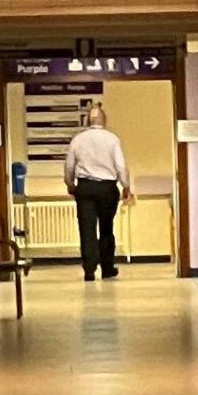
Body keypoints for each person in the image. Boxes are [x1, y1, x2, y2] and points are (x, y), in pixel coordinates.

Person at [63, 104, 130, 280]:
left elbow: (69, 165)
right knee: (106, 228)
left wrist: (70, 184)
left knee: (87, 229)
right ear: (104, 120)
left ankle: (89, 270)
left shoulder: (78, 139)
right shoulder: (112, 139)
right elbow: (121, 165)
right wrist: (126, 186)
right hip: (107, 188)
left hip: (85, 188)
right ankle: (107, 267)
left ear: (88, 120)